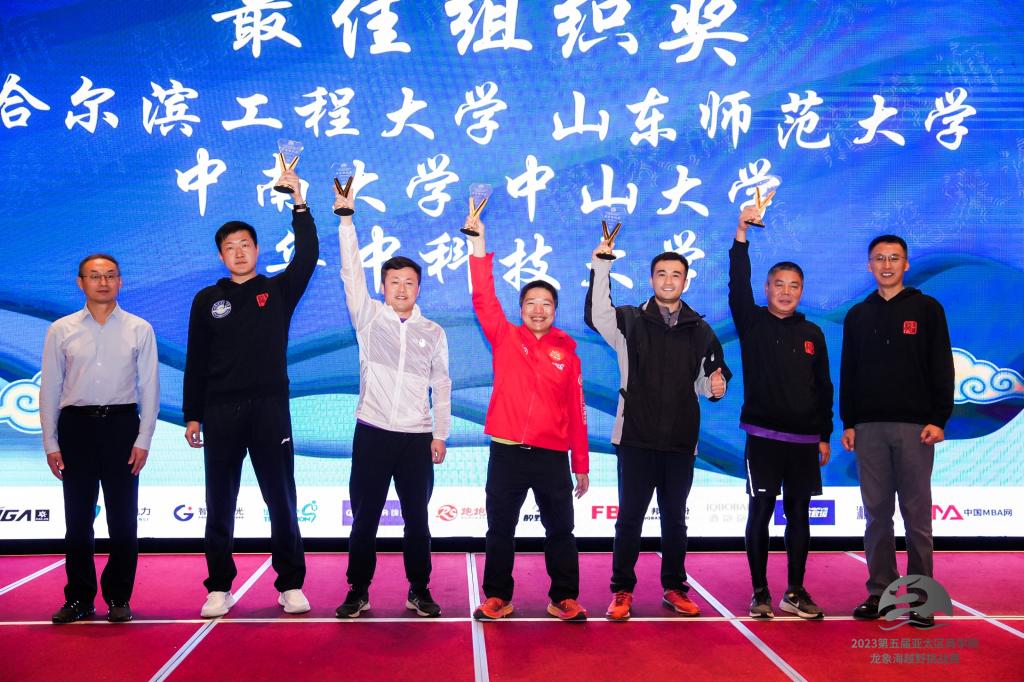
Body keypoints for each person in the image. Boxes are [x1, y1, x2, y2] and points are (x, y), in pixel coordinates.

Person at [183, 168, 318, 618]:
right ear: (221, 255)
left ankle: (290, 584)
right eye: (230, 247)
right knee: (219, 501)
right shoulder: (207, 300)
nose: (238, 252)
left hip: (269, 409)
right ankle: (219, 587)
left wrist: (299, 202)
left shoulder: (278, 290)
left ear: (258, 250)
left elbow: (307, 255)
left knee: (281, 498)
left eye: (245, 244)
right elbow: (196, 359)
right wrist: (192, 414)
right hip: (220, 411)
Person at [585, 237, 729, 622]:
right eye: (662, 273)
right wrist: (601, 265)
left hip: (681, 442)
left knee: (675, 520)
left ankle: (675, 588)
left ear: (686, 281)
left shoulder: (701, 330)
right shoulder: (629, 321)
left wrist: (715, 387)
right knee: (629, 518)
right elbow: (598, 314)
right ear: (651, 279)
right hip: (635, 437)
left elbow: (708, 380)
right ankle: (622, 590)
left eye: (676, 275)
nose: (668, 280)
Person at [332, 184, 451, 619]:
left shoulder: (433, 332)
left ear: (419, 288)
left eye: (409, 282)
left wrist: (440, 434)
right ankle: (358, 591)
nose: (402, 288)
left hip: (416, 439)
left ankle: (419, 589)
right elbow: (351, 272)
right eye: (394, 282)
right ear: (382, 286)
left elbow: (442, 384)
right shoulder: (369, 318)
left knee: (417, 519)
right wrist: (347, 221)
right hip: (373, 433)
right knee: (364, 519)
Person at [465, 216, 590, 622]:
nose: (538, 310)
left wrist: (581, 464)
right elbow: (484, 297)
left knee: (561, 531)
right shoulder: (505, 337)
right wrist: (478, 244)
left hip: (552, 455)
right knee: (500, 529)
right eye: (531, 303)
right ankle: (497, 596)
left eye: (546, 304)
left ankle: (564, 597)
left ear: (555, 310)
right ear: (520, 309)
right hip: (507, 453)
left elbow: (577, 414)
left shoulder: (568, 354)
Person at [841, 235, 953, 629]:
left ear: (906, 264)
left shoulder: (927, 309)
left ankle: (921, 600)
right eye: (879, 258)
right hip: (868, 428)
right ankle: (880, 593)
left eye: (894, 258)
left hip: (915, 429)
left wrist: (939, 418)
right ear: (869, 265)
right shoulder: (858, 314)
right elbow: (849, 372)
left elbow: (942, 366)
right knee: (876, 517)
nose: (886, 265)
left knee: (917, 518)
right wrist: (849, 422)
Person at [40, 254, 159, 624]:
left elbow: (150, 387)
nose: (103, 282)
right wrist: (51, 442)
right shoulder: (61, 329)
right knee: (77, 522)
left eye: (110, 275)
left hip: (122, 427)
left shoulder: (140, 328)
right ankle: (79, 598)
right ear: (81, 283)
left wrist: (144, 438)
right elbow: (50, 388)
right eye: (94, 276)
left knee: (123, 522)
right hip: (75, 428)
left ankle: (119, 596)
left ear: (120, 281)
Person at [729, 207, 833, 620]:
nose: (786, 292)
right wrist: (741, 233)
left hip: (805, 442)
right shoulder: (751, 322)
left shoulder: (812, 333)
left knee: (799, 517)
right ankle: (760, 593)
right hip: (763, 439)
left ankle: (796, 590)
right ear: (767, 288)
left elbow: (823, 388)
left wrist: (824, 434)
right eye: (779, 285)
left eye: (794, 286)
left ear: (801, 291)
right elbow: (737, 284)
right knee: (760, 513)